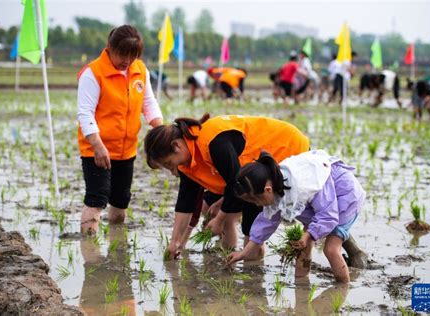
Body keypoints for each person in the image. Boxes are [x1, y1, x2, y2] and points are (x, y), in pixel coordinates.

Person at [144, 114, 310, 260]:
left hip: (285, 147)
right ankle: (235, 252)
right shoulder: (187, 159)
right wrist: (175, 242)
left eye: (168, 163)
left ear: (177, 146)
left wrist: (220, 219)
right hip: (245, 172)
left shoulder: (214, 143)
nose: (171, 168)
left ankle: (255, 263)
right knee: (215, 207)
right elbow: (186, 202)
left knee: (252, 211)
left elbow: (237, 183)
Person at [228, 150, 366, 283]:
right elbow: (266, 223)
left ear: (267, 190)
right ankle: (301, 283)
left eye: (255, 200)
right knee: (303, 245)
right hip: (321, 203)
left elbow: (328, 215)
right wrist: (243, 253)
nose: (256, 204)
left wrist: (308, 235)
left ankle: (343, 287)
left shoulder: (306, 184)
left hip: (345, 197)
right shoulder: (275, 186)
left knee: (330, 249)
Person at [77, 25, 163, 234]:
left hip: (126, 150)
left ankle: (117, 248)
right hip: (98, 149)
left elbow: (148, 103)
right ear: (109, 47)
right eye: (122, 54)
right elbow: (85, 113)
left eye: (132, 56)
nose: (126, 61)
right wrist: (97, 145)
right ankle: (90, 254)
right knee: (97, 199)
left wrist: (163, 132)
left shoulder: (140, 70)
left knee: (121, 202)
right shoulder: (93, 73)